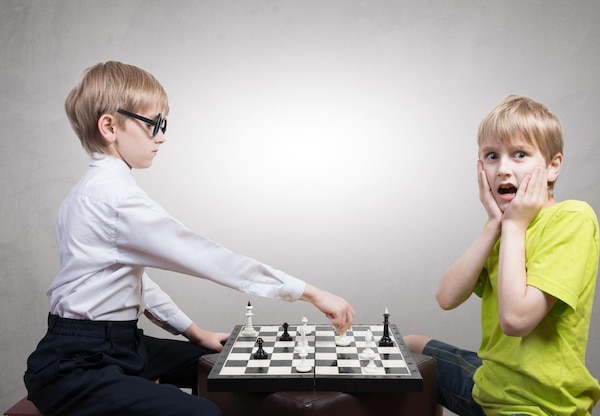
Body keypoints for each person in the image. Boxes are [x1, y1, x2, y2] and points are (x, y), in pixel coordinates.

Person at [24, 61, 356, 416]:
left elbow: (135, 283)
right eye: (154, 124)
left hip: (119, 345)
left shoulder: (95, 193)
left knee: (226, 363)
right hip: (75, 365)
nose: (162, 137)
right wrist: (310, 292)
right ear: (109, 126)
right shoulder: (113, 199)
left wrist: (195, 332)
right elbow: (208, 258)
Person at [404, 95, 600, 416]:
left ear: (553, 166)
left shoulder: (572, 218)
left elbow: (515, 320)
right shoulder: (503, 227)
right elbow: (446, 297)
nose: (503, 169)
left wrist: (513, 228)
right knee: (411, 345)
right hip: (490, 385)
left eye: (520, 154)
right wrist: (494, 224)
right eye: (492, 156)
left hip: (536, 406)